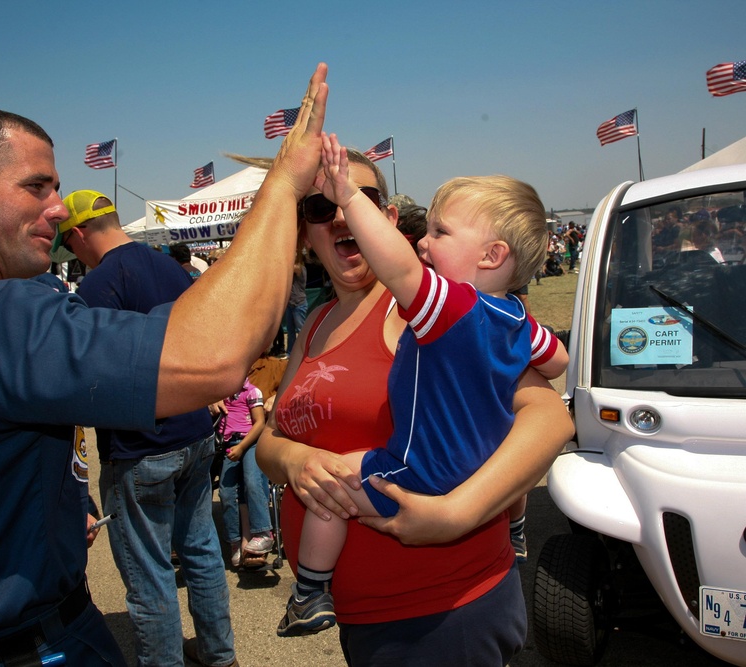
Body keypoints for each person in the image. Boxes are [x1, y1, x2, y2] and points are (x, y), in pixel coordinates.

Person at [0, 63, 330, 667]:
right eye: (36, 187)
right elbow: (215, 360)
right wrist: (280, 189)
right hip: (29, 644)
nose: (59, 209)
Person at [255, 144, 574, 664]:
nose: (338, 212)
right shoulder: (314, 324)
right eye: (319, 206)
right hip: (366, 617)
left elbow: (550, 417)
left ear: (384, 217)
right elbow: (271, 440)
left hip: (439, 611)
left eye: (355, 197)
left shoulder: (436, 305)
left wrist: (453, 515)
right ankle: (311, 592)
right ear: (303, 231)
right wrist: (296, 461)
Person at [58, 189, 237, 667]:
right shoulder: (172, 269)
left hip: (140, 445)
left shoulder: (97, 288)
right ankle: (220, 655)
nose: (71, 254)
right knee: (200, 550)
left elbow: (91, 374)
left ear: (78, 234)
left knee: (150, 570)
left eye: (68, 243)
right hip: (195, 433)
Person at [215, 376, 271, 568]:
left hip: (250, 442)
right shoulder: (221, 392)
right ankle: (235, 541)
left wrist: (241, 448)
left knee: (252, 481)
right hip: (229, 444)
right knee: (226, 492)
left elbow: (259, 423)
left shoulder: (252, 391)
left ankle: (263, 532)